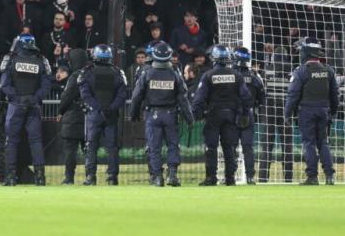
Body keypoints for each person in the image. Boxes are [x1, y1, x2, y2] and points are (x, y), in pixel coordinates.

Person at [130, 42, 194, 187]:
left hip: (152, 114)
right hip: (171, 115)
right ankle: (172, 175)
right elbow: (183, 98)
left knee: (154, 146)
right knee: (173, 145)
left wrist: (133, 113)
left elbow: (136, 96)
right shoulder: (175, 73)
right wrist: (189, 117)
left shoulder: (147, 73)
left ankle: (157, 177)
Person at [192, 45, 251, 186]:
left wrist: (195, 114)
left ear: (214, 58)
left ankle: (211, 178)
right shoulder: (236, 75)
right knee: (229, 147)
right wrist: (244, 113)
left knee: (211, 147)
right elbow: (246, 97)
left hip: (213, 115)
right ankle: (230, 178)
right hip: (231, 115)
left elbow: (199, 99)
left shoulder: (208, 75)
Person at [284, 38, 340, 185]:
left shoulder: (301, 71)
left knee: (309, 143)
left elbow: (293, 94)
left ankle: (312, 176)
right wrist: (333, 112)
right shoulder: (328, 70)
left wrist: (287, 114)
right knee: (323, 142)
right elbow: (335, 94)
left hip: (307, 111)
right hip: (324, 111)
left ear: (306, 53)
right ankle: (329, 176)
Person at [0, 34, 52, 186]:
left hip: (16, 105)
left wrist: (17, 98)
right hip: (34, 105)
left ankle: (10, 177)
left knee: (11, 141)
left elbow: (5, 84)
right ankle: (40, 178)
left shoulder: (11, 59)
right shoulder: (42, 60)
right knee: (35, 141)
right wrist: (34, 98)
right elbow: (47, 85)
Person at [79, 44, 127, 186]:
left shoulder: (87, 72)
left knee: (91, 146)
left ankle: (90, 177)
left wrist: (98, 107)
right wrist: (111, 108)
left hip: (94, 114)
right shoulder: (118, 72)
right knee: (112, 147)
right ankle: (112, 177)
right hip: (111, 115)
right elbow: (122, 94)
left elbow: (85, 94)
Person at [232, 47, 265, 185]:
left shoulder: (231, 75)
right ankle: (250, 177)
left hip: (232, 113)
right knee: (248, 147)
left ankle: (230, 175)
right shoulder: (255, 77)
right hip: (249, 113)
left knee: (231, 146)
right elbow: (262, 98)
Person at [57, 48, 88, 185]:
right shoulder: (91, 74)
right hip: (89, 118)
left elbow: (66, 97)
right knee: (89, 150)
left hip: (72, 118)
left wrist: (60, 111)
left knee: (70, 151)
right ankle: (90, 177)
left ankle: (69, 178)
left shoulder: (75, 76)